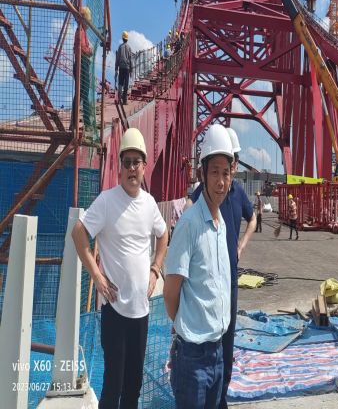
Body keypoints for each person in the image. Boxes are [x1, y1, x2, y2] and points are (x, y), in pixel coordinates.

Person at [72, 127, 168, 408]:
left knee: (134, 385)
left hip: (141, 312)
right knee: (113, 383)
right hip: (114, 311)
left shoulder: (149, 204)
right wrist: (97, 276)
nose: (131, 168)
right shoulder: (107, 200)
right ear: (120, 167)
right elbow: (78, 233)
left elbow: (163, 234)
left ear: (144, 166)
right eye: (126, 162)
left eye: (136, 162)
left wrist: (155, 269)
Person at [163, 124, 234, 408]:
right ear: (202, 174)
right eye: (214, 172)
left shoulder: (221, 224)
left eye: (226, 173)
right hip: (192, 357)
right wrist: (186, 327)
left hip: (217, 352)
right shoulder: (189, 224)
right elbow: (171, 292)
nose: (221, 181)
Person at [219, 126, 256, 409]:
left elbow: (253, 218)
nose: (233, 165)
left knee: (228, 340)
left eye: (234, 161)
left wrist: (241, 247)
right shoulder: (209, 192)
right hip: (211, 280)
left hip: (230, 279)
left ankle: (222, 396)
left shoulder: (239, 192)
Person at [71, 6, 94, 131]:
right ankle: (86, 123)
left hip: (81, 63)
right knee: (83, 93)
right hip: (82, 63)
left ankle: (75, 122)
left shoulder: (81, 31)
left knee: (81, 93)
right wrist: (89, 51)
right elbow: (82, 48)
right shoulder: (80, 31)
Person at [115, 31, 133, 105]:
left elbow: (117, 59)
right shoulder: (129, 48)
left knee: (120, 83)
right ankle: (124, 101)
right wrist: (131, 70)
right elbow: (131, 60)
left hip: (121, 68)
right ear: (127, 39)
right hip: (127, 68)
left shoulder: (120, 47)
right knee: (126, 84)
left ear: (122, 38)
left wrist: (116, 69)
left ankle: (119, 98)